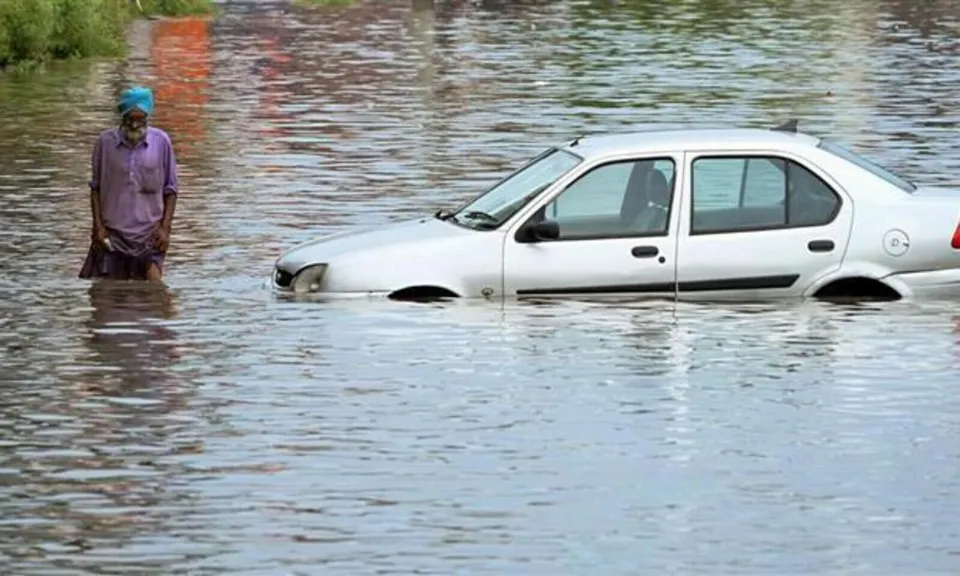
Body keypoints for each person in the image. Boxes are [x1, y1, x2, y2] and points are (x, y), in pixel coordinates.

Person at [79, 86, 179, 283]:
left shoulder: (161, 142)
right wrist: (98, 226)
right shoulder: (104, 143)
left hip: (150, 236)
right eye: (129, 119)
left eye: (140, 119)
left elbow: (171, 189)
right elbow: (95, 188)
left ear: (147, 117)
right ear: (122, 117)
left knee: (155, 292)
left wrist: (165, 229)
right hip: (112, 235)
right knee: (109, 294)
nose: (134, 125)